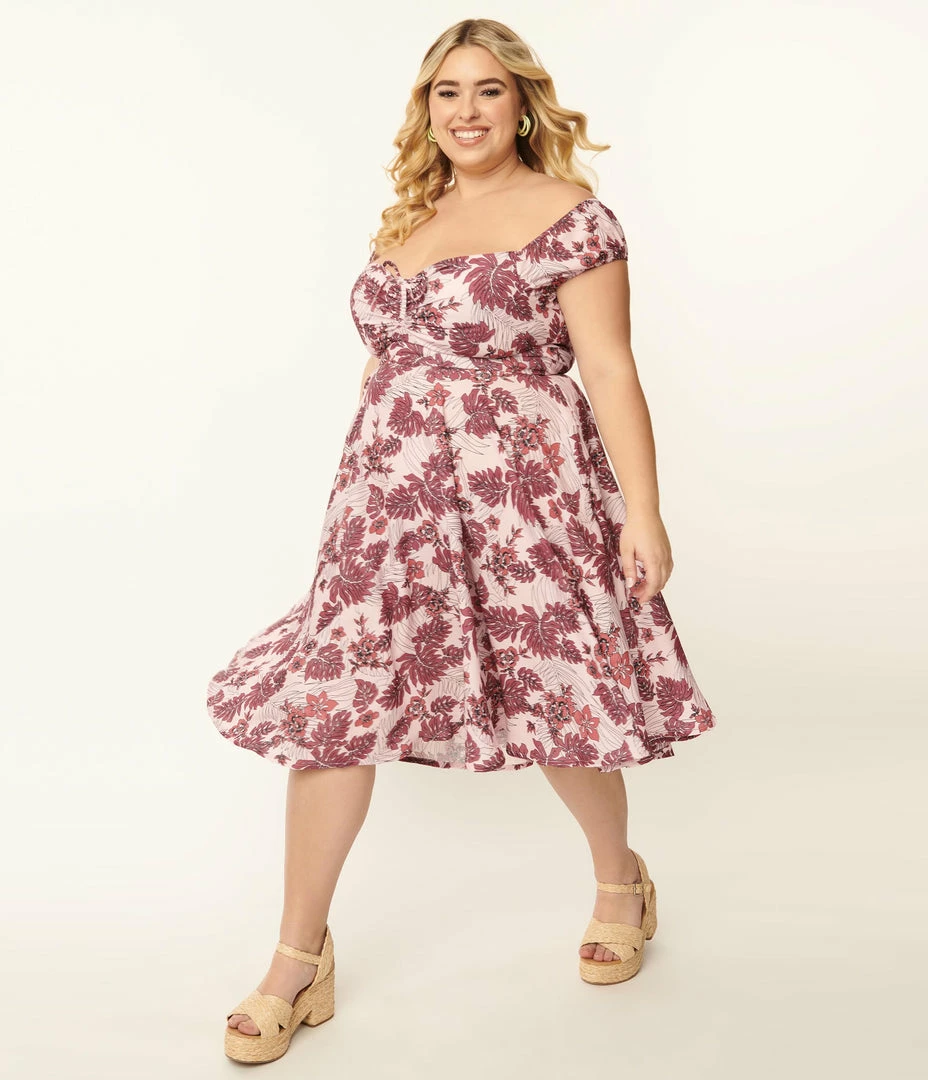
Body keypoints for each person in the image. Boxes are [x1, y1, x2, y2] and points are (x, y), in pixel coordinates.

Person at [209, 17, 717, 1064]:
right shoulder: (412, 214)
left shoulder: (571, 217)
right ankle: (298, 961)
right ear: (426, 108)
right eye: (447, 92)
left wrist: (644, 511)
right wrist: (382, 458)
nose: (466, 111)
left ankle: (620, 883)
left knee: (558, 693)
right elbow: (390, 359)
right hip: (388, 506)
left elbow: (608, 367)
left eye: (488, 90)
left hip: (523, 496)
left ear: (523, 104)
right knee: (336, 705)